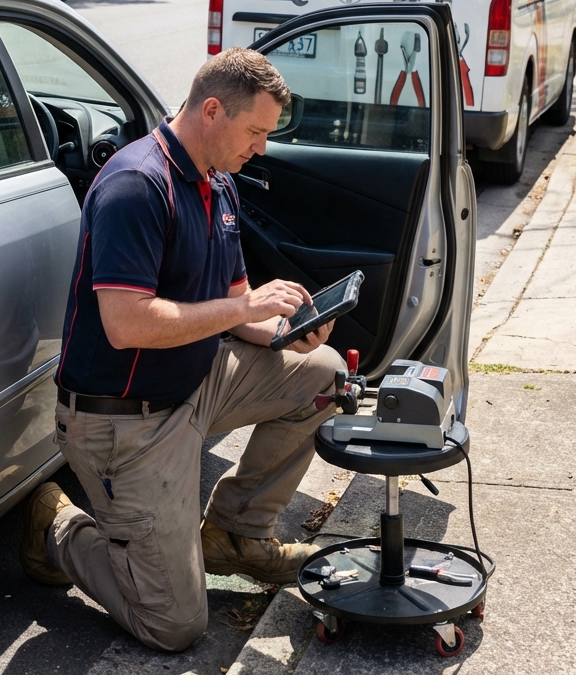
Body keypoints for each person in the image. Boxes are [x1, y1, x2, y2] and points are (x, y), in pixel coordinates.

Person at [19, 48, 342, 652]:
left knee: (321, 373)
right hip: (124, 421)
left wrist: (281, 331)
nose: (262, 148)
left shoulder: (218, 181)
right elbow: (125, 324)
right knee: (174, 626)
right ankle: (59, 525)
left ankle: (237, 535)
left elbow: (235, 297)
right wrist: (241, 312)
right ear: (212, 110)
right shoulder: (137, 185)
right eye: (256, 132)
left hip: (196, 380)